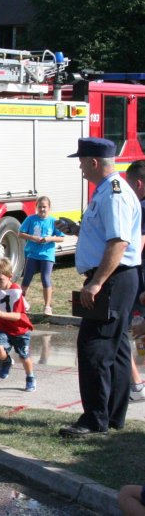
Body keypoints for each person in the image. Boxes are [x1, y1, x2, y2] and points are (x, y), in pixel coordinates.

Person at [55, 137, 141, 438]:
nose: (79, 166)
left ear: (94, 162)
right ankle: (113, 417)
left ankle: (94, 420)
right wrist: (77, 230)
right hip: (118, 277)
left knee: (94, 348)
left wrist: (97, 282)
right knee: (116, 349)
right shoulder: (107, 191)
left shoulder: (114, 194)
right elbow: (108, 234)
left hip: (113, 278)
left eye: (81, 161)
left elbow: (119, 242)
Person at [0, 258, 36, 392]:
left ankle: (30, 377)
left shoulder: (16, 292)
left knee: (24, 356)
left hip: (20, 329)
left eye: (0, 280)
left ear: (10, 277)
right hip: (3, 327)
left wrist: (0, 314)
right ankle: (7, 361)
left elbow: (18, 316)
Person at [18, 196, 65, 316]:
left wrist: (49, 238)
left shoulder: (53, 222)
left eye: (44, 207)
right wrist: (33, 238)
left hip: (47, 255)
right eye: (40, 207)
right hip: (32, 254)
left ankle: (47, 306)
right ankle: (20, 303)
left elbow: (61, 238)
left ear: (49, 208)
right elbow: (20, 233)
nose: (42, 209)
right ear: (36, 207)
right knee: (27, 278)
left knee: (45, 278)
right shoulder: (30, 219)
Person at [125, 160, 145, 401]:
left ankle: (136, 383)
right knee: (139, 332)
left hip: (139, 278)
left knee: (126, 330)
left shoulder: (141, 207)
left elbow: (138, 245)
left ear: (138, 184)